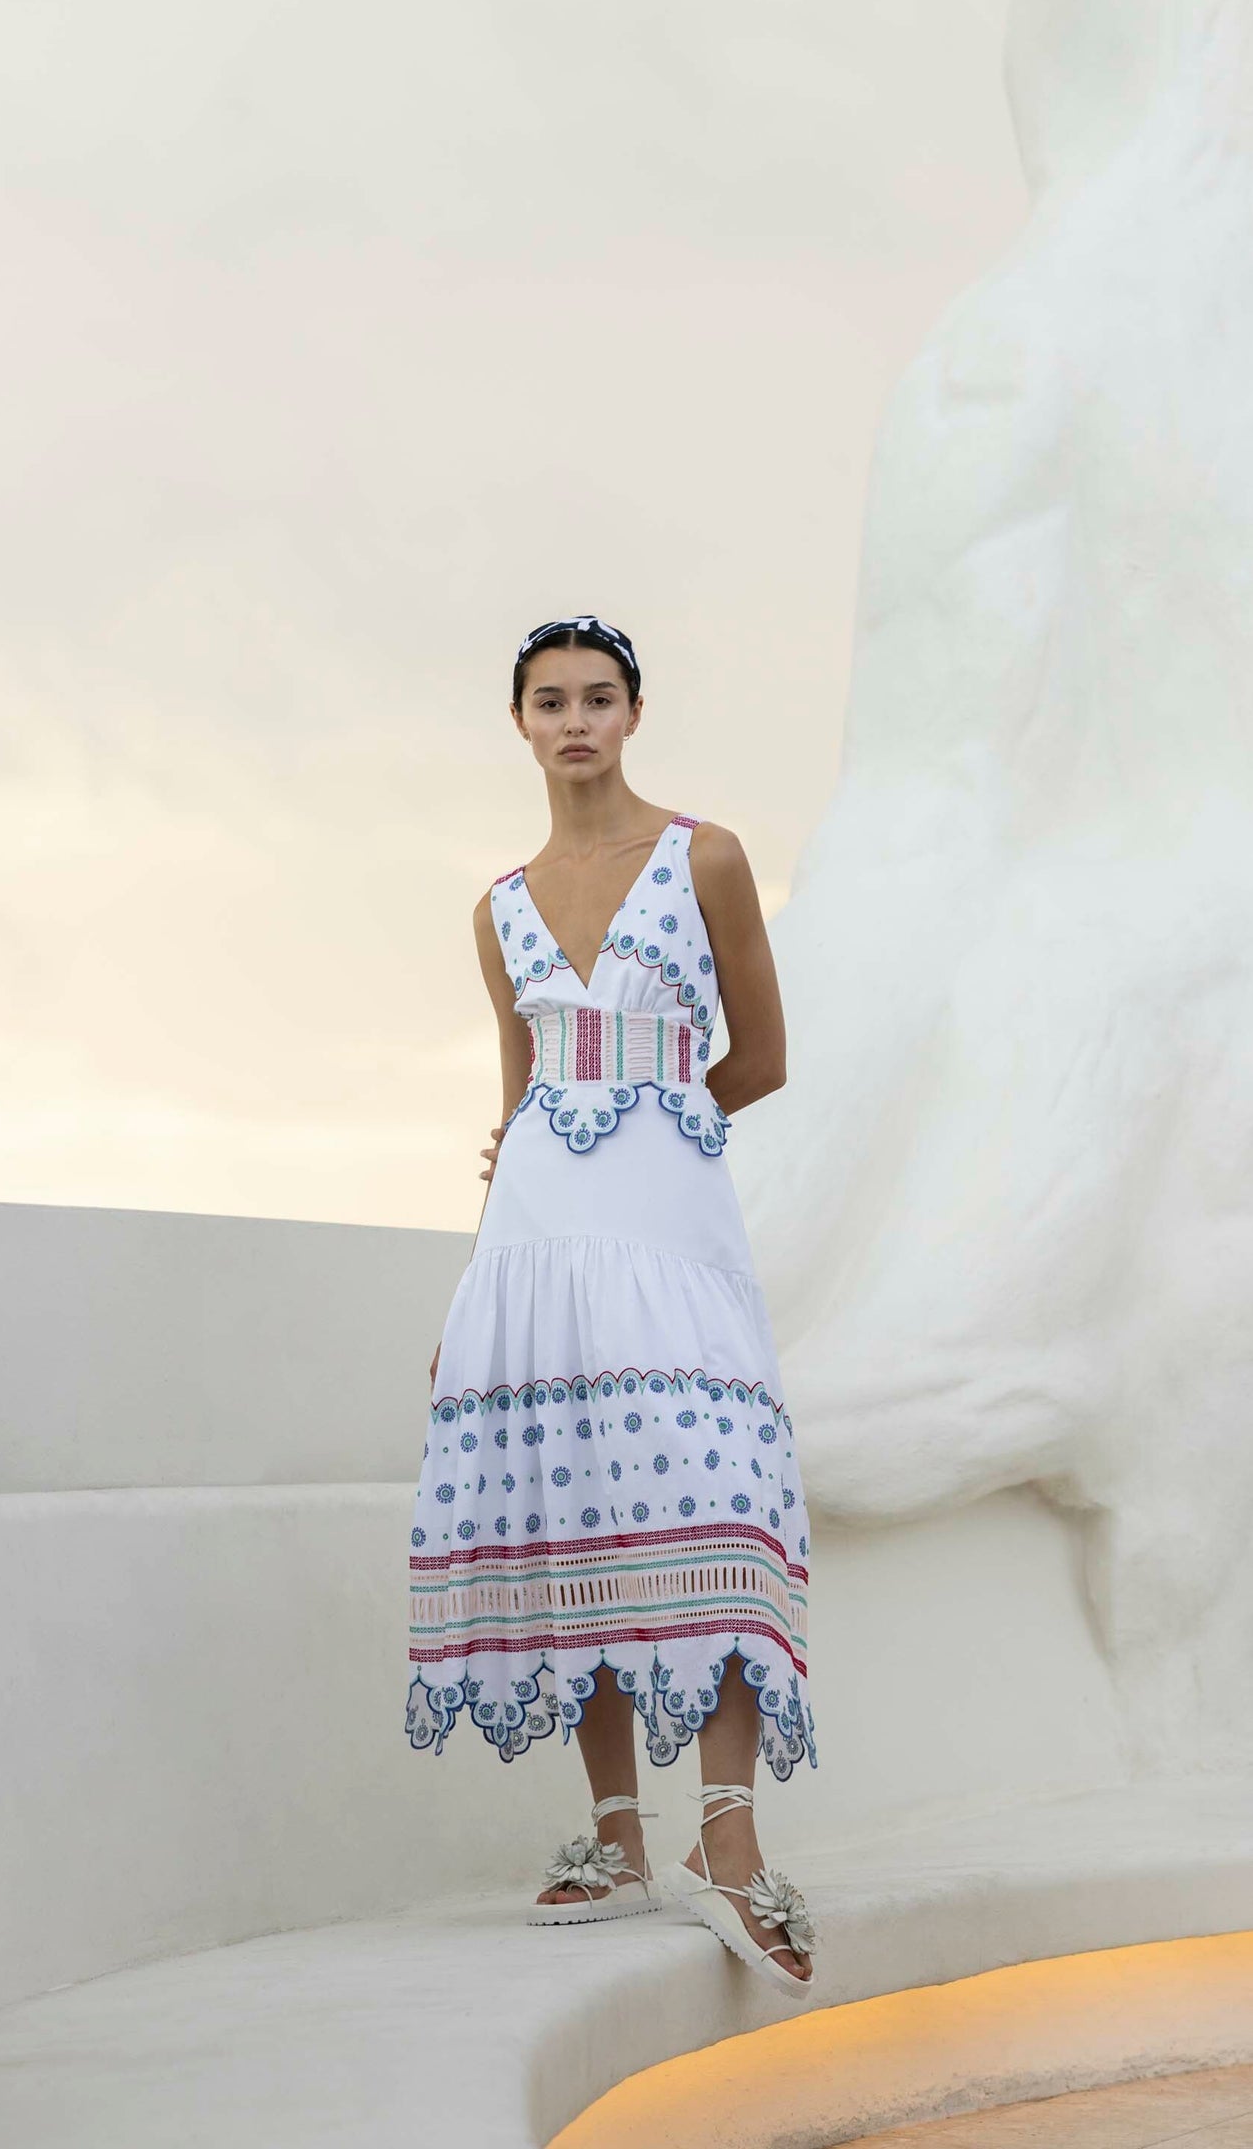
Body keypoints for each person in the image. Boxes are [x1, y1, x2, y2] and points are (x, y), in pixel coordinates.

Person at [404, 616, 817, 1994]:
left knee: (723, 1482)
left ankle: (731, 1839)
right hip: (535, 1237)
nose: (575, 720)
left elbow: (757, 1054)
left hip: (669, 1225)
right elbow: (514, 1098)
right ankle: (618, 1835)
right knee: (565, 1496)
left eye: (597, 697)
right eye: (549, 701)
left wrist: (646, 1118)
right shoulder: (498, 905)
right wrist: (478, 1293)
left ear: (633, 712)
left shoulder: (704, 856)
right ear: (521, 724)